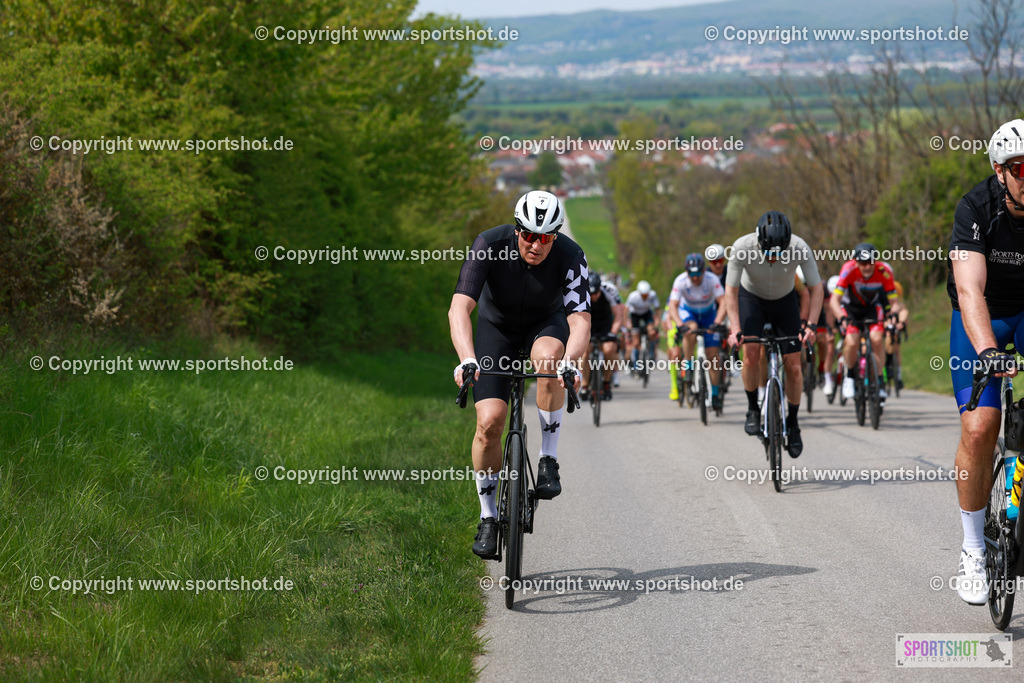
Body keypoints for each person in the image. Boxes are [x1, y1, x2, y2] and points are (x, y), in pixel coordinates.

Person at [449, 190, 590, 559]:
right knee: (489, 422)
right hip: (496, 330)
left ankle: (548, 458)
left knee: (550, 360)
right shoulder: (489, 244)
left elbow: (580, 319)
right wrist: (467, 359)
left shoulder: (571, 255)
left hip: (546, 324)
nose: (536, 245)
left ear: (555, 236)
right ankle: (488, 516)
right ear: (516, 230)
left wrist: (571, 361)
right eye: (529, 235)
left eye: (546, 238)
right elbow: (459, 308)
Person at [947, 119, 1024, 604]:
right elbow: (969, 289)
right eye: (1021, 169)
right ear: (1000, 171)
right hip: (984, 317)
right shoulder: (975, 207)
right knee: (979, 428)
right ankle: (973, 548)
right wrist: (989, 351)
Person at [724, 211, 822, 458]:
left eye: (779, 253)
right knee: (750, 354)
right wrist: (735, 328)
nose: (773, 258)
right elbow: (730, 291)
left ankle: (793, 423)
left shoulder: (799, 247)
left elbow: (817, 288)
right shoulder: (742, 247)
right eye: (769, 252)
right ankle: (752, 409)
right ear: (759, 241)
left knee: (794, 366)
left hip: (784, 301)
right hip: (751, 299)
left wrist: (811, 326)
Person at [831, 243, 895, 401]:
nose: (867, 267)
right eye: (863, 263)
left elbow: (894, 302)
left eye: (870, 262)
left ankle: (879, 382)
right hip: (852, 309)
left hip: (872, 308)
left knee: (877, 340)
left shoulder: (884, 271)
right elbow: (834, 300)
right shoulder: (848, 269)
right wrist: (841, 317)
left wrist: (893, 315)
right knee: (852, 342)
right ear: (856, 262)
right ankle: (850, 377)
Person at [669, 253, 727, 411]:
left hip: (709, 315)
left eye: (698, 274)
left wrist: (717, 322)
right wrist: (680, 324)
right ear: (687, 272)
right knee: (691, 329)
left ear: (703, 271)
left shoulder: (711, 279)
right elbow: (673, 305)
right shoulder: (681, 281)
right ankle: (688, 364)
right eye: (691, 274)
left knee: (712, 356)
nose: (695, 278)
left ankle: (715, 393)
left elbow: (723, 301)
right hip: (689, 313)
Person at [581, 272, 624, 401]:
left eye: (596, 293)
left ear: (600, 288)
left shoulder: (609, 290)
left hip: (606, 324)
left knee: (609, 349)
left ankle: (606, 382)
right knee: (584, 352)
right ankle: (585, 385)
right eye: (591, 294)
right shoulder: (581, 292)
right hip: (588, 324)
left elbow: (618, 315)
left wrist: (613, 333)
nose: (593, 296)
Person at [625, 280, 661, 372]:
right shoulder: (633, 297)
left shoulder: (653, 295)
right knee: (636, 342)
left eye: (646, 295)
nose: (645, 297)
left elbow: (657, 310)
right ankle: (636, 363)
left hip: (646, 313)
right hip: (635, 315)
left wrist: (657, 322)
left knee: (651, 331)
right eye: (643, 295)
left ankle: (651, 353)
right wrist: (627, 324)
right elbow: (625, 310)